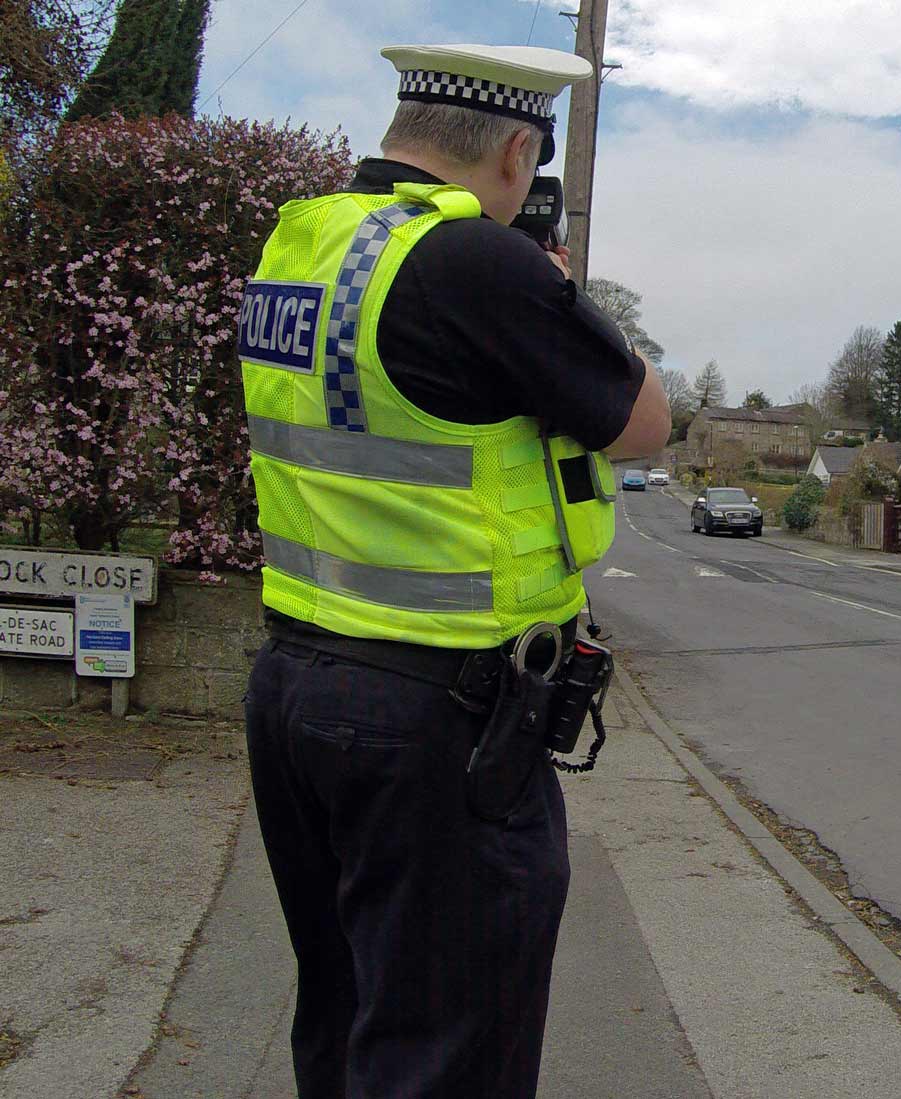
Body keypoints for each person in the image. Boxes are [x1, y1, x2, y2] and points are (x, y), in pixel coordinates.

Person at [238, 43, 670, 1099]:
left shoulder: (306, 239)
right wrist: (565, 297)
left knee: (346, 1018)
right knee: (446, 1051)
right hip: (436, 718)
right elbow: (643, 425)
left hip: (298, 682)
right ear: (520, 150)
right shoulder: (477, 263)